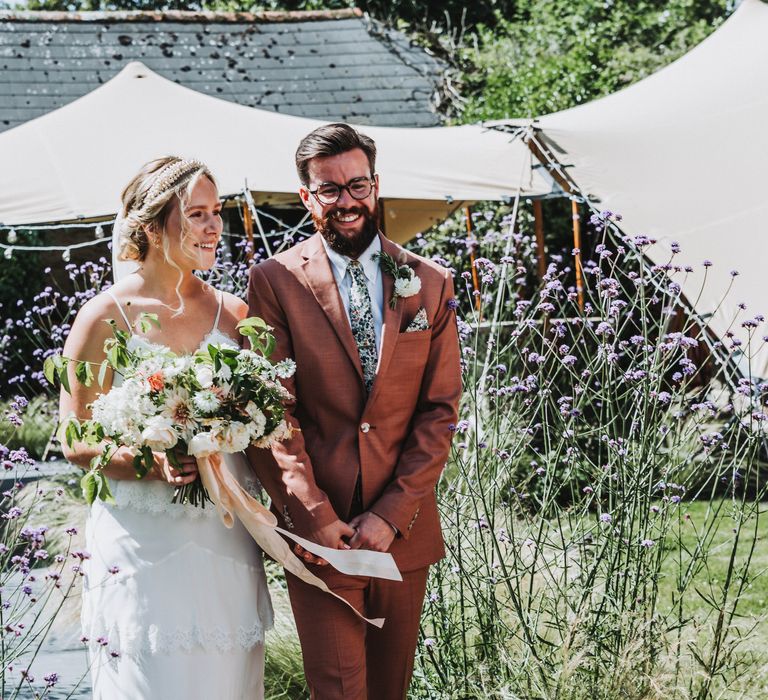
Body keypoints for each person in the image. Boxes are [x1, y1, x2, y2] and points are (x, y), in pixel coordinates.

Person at [248, 123, 462, 699]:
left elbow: (439, 412)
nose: (347, 201)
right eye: (330, 190)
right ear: (306, 197)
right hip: (323, 533)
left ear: (375, 184)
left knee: (391, 690)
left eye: (357, 185)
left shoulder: (431, 284)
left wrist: (391, 515)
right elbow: (271, 414)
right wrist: (313, 514)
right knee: (339, 690)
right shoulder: (273, 282)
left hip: (404, 529)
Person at [59, 156, 273, 699]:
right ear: (152, 228)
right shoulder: (104, 317)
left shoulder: (235, 313)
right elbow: (75, 439)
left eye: (216, 212)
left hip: (225, 538)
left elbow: (268, 416)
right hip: (143, 546)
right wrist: (148, 461)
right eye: (196, 214)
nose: (212, 227)